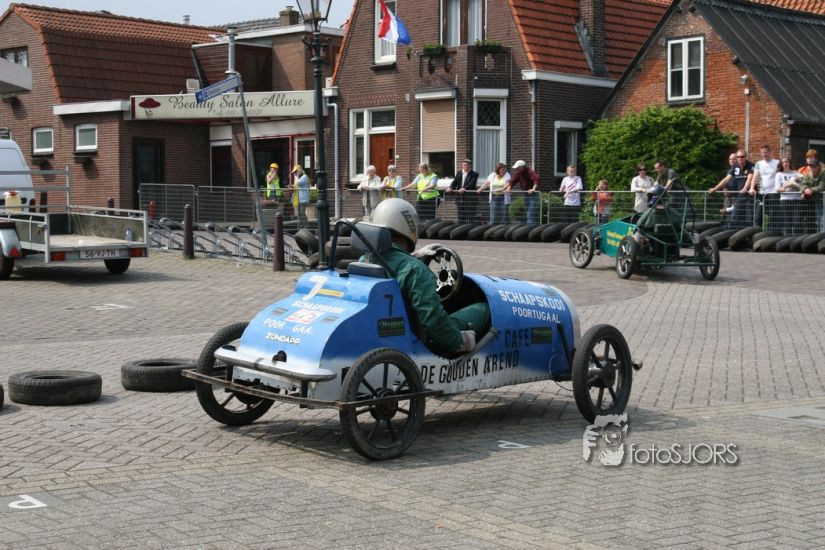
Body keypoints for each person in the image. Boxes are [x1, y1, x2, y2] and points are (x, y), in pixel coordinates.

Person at [367, 198, 491, 357]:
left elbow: (393, 264)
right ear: (409, 226)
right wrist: (460, 341)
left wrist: (415, 256)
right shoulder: (416, 271)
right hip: (423, 338)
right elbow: (433, 321)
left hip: (383, 330)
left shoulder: (367, 259)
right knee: (483, 309)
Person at [708, 150, 755, 229]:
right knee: (734, 218)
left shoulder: (751, 166)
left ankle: (750, 234)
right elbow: (726, 179)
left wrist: (745, 188)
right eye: (738, 157)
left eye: (742, 157)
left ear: (746, 157)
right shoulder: (735, 166)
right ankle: (733, 233)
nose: (740, 159)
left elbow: (749, 179)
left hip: (749, 197)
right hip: (740, 197)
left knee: (749, 219)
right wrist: (715, 188)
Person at [751, 145, 779, 229]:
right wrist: (752, 188)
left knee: (773, 214)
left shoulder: (777, 162)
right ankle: (756, 231)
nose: (764, 154)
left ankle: (772, 232)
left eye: (765, 152)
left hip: (773, 192)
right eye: (762, 153)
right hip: (762, 193)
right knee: (759, 214)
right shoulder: (758, 163)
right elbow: (755, 176)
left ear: (770, 152)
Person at [795, 155, 825, 232]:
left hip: (823, 200)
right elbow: (802, 184)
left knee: (822, 220)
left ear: (818, 167)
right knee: (816, 220)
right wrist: (805, 189)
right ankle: (818, 237)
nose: (812, 168)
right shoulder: (808, 174)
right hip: (815, 201)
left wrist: (810, 190)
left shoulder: (823, 173)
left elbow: (822, 186)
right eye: (811, 167)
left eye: (814, 167)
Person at [447, 159, 479, 224]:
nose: (466, 166)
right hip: (460, 198)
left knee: (470, 216)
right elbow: (454, 182)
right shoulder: (459, 173)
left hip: (470, 198)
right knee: (461, 215)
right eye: (464, 165)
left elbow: (472, 184)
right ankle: (461, 227)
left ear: (470, 165)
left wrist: (464, 188)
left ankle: (470, 228)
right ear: (462, 165)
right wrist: (450, 187)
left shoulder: (474, 174)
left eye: (467, 165)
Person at [510, 160, 541, 224]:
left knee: (530, 213)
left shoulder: (529, 171)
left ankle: (530, 228)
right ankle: (531, 227)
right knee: (528, 213)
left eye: (517, 168)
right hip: (526, 195)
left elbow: (537, 179)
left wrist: (533, 188)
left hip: (533, 195)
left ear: (522, 167)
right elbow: (513, 181)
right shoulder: (519, 173)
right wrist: (509, 187)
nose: (516, 170)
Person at [775, 157, 801, 234]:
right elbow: (777, 189)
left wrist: (791, 185)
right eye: (783, 162)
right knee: (787, 222)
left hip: (796, 200)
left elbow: (801, 185)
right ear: (781, 164)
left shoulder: (797, 173)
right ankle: (788, 239)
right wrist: (788, 187)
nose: (785, 164)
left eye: (787, 162)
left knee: (797, 222)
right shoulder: (779, 174)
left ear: (790, 163)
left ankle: (797, 239)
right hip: (785, 200)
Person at [291, 164, 310, 228]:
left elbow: (298, 184)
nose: (295, 173)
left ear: (299, 170)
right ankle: (302, 226)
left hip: (303, 199)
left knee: (302, 212)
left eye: (296, 171)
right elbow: (296, 186)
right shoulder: (300, 177)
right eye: (294, 172)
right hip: (299, 198)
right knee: (299, 213)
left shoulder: (304, 177)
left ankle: (306, 226)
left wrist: (296, 177)